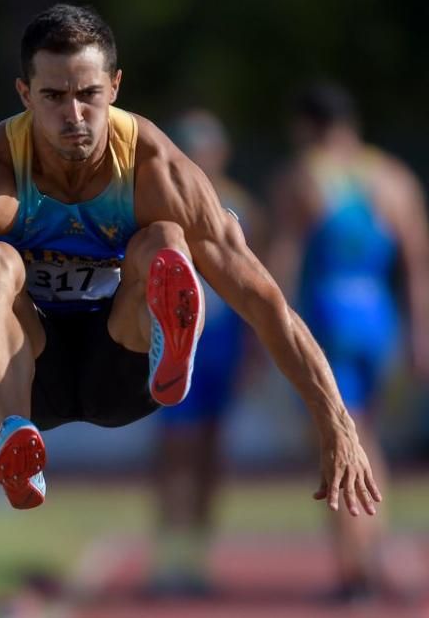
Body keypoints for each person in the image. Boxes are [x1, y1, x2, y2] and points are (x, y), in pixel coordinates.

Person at [0, 5, 380, 521]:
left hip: (122, 367)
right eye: (53, 97)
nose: (73, 115)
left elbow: (265, 301)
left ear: (116, 88)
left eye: (88, 95)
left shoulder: (158, 171)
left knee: (163, 238)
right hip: (28, 369)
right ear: (25, 93)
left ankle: (164, 345)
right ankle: (15, 440)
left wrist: (336, 421)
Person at [269, 81, 429, 600]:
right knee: (367, 437)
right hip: (378, 318)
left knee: (335, 439)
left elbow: (281, 260)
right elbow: (420, 267)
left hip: (327, 318)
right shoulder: (394, 178)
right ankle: (374, 548)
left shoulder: (302, 177)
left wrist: (267, 331)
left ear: (306, 125)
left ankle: (356, 568)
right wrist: (426, 335)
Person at [150, 109, 265, 593]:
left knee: (212, 454)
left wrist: (256, 351)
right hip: (176, 339)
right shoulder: (156, 202)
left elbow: (259, 286)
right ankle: (170, 557)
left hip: (222, 343)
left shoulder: (242, 207)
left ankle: (198, 554)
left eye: (206, 148)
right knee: (177, 450)